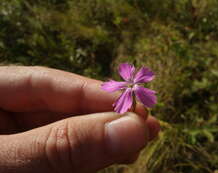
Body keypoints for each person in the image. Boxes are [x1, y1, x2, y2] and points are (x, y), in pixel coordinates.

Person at [0, 66, 160, 173]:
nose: (131, 85)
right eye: (129, 83)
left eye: (133, 83)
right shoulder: (124, 89)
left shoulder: (135, 89)